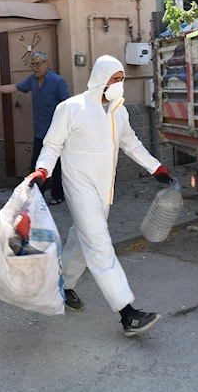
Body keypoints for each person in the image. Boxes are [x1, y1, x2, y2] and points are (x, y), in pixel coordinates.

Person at [28, 55, 174, 337]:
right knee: (99, 245)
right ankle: (127, 313)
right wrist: (42, 170)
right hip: (78, 186)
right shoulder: (72, 108)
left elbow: (131, 143)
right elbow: (52, 145)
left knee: (82, 240)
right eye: (114, 79)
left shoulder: (119, 111)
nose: (119, 84)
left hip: (104, 189)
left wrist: (156, 168)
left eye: (121, 79)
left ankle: (61, 285)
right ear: (100, 79)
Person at [0, 51, 70, 205]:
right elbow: (15, 87)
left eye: (37, 64)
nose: (34, 68)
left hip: (56, 133)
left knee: (57, 166)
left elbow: (68, 105)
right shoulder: (32, 80)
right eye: (32, 65)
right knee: (36, 165)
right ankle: (37, 197)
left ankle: (58, 195)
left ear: (46, 64)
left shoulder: (57, 81)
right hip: (40, 132)